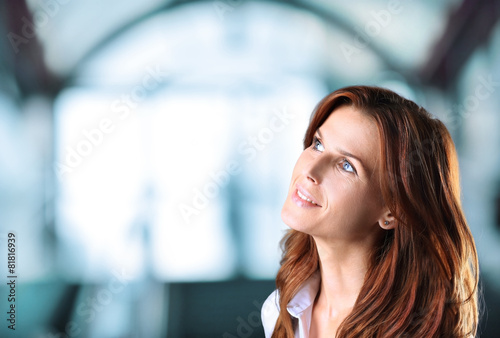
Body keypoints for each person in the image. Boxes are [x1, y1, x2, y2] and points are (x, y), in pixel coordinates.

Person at [261, 86, 479, 337]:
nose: (310, 171)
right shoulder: (279, 311)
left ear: (393, 213)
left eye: (346, 165)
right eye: (318, 144)